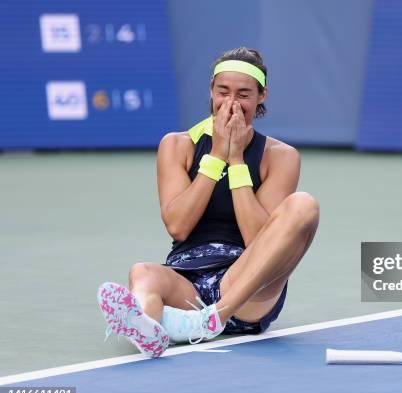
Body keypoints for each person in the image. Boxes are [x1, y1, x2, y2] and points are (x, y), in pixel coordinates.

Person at [97, 47, 320, 358]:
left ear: (262, 96)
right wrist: (216, 156)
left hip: (247, 291)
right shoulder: (177, 145)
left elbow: (260, 241)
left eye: (243, 94)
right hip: (186, 283)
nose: (231, 104)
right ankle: (150, 328)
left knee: (303, 205)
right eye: (222, 91)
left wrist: (237, 159)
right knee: (142, 273)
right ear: (211, 91)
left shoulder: (281, 157)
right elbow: (178, 226)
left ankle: (214, 318)